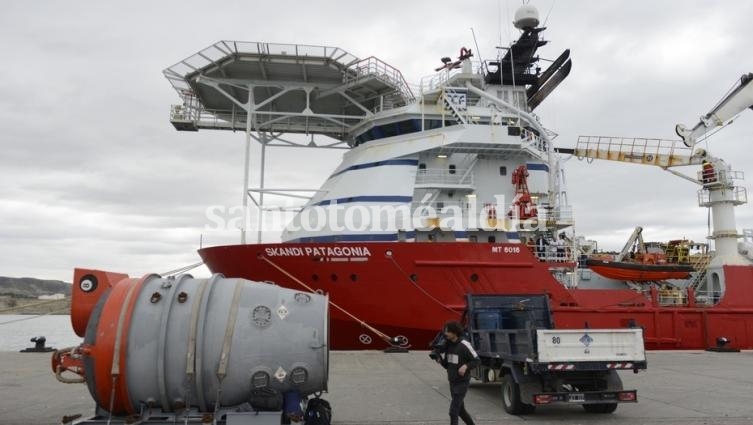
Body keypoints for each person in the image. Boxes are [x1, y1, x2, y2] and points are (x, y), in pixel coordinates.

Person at [435, 321, 480, 425]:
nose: (445, 334)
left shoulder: (464, 344)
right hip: (452, 381)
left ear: (454, 332)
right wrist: (440, 360)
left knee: (453, 412)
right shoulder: (448, 345)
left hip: (462, 382)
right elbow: (448, 365)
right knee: (460, 410)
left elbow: (477, 360)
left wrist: (466, 366)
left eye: (447, 331)